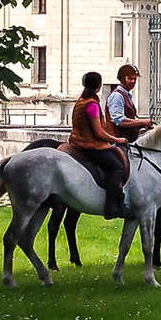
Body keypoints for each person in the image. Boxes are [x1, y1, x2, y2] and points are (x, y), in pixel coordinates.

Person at [69, 71, 129, 218]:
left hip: (77, 142)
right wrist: (118, 140)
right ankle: (110, 207)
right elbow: (99, 133)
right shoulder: (92, 105)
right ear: (99, 86)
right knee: (117, 167)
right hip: (90, 146)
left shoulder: (80, 101)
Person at [107, 63, 154, 140]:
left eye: (135, 79)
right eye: (130, 78)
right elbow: (119, 121)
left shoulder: (127, 95)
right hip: (118, 140)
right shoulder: (117, 96)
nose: (133, 81)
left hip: (129, 139)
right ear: (122, 79)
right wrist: (142, 122)